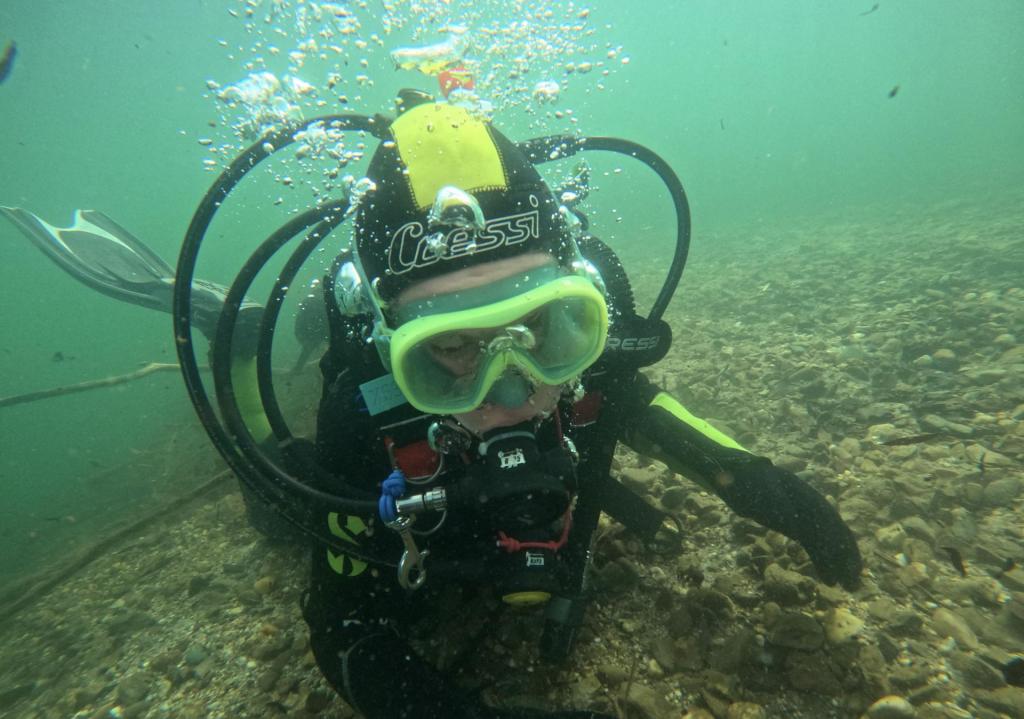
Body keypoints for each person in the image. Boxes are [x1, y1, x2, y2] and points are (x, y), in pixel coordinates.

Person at [3, 93, 862, 719]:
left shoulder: (584, 352)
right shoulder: (365, 410)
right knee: (276, 507)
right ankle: (240, 332)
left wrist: (757, 481)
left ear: (577, 302)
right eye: (450, 350)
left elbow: (640, 405)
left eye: (539, 327)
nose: (513, 388)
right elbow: (343, 627)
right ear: (391, 347)